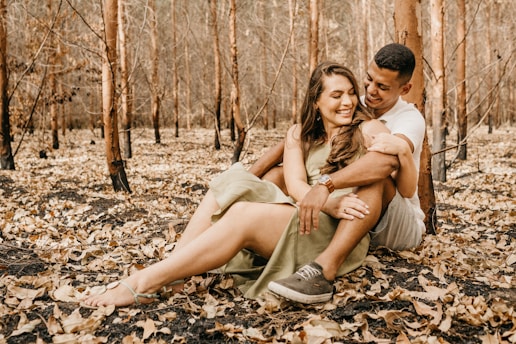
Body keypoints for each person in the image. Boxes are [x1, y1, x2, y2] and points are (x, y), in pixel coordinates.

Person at [81, 62, 411, 307]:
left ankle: (141, 283)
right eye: (336, 95)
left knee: (242, 214)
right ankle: (173, 269)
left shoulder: (367, 129)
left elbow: (385, 164)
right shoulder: (299, 134)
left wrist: (328, 190)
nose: (348, 102)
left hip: (335, 232)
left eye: (351, 93)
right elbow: (296, 185)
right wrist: (324, 199)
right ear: (316, 102)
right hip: (308, 215)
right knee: (232, 177)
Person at [267, 43, 426, 304]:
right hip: (358, 213)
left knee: (375, 176)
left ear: (404, 89)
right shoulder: (355, 101)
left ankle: (323, 271)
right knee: (278, 175)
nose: (370, 91)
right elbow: (296, 138)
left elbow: (385, 167)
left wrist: (325, 186)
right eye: (369, 79)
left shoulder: (410, 120)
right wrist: (244, 177)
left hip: (396, 223)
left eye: (383, 87)